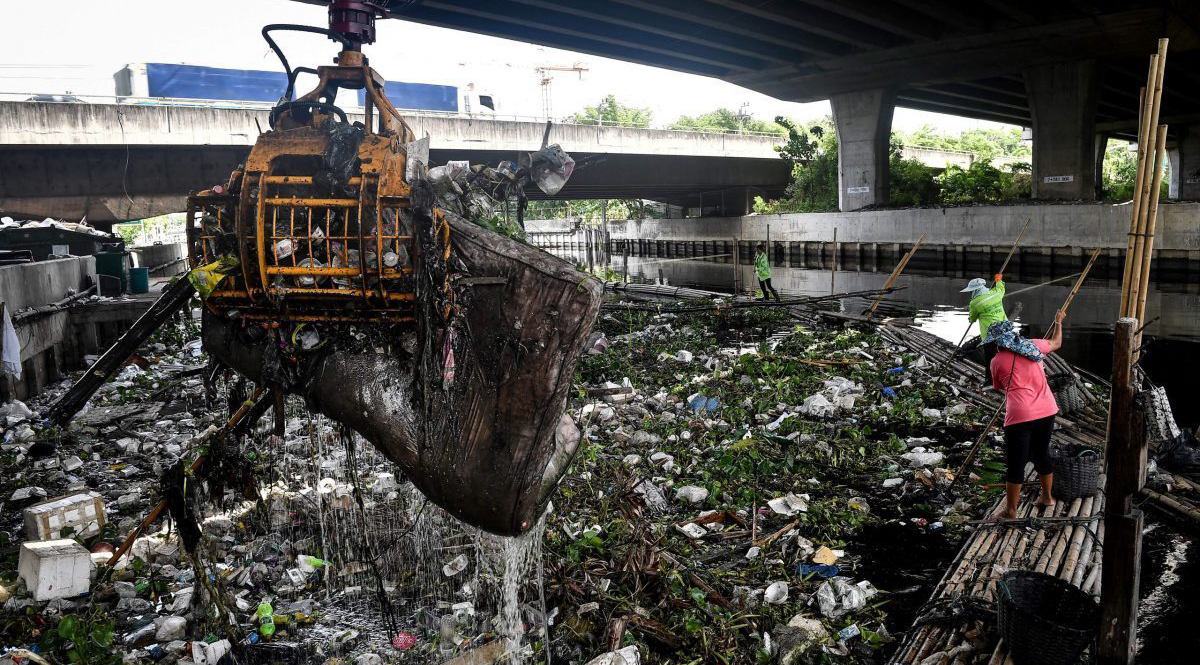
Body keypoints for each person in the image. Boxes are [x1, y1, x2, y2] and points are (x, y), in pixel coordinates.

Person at [989, 312, 1064, 520]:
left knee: (1016, 462)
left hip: (1020, 415)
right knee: (1041, 454)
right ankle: (1047, 497)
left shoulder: (997, 361)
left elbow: (1000, 387)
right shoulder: (1033, 346)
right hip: (1047, 410)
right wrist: (1058, 321)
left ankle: (1011, 510)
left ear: (997, 343)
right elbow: (1056, 342)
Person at [963, 272, 1007, 385]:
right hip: (1005, 329)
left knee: (990, 358)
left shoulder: (975, 302)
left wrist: (972, 318)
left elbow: (972, 319)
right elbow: (1001, 288)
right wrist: (998, 280)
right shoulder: (996, 293)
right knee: (1005, 354)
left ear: (975, 290)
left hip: (990, 334)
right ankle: (1006, 378)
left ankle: (990, 381)